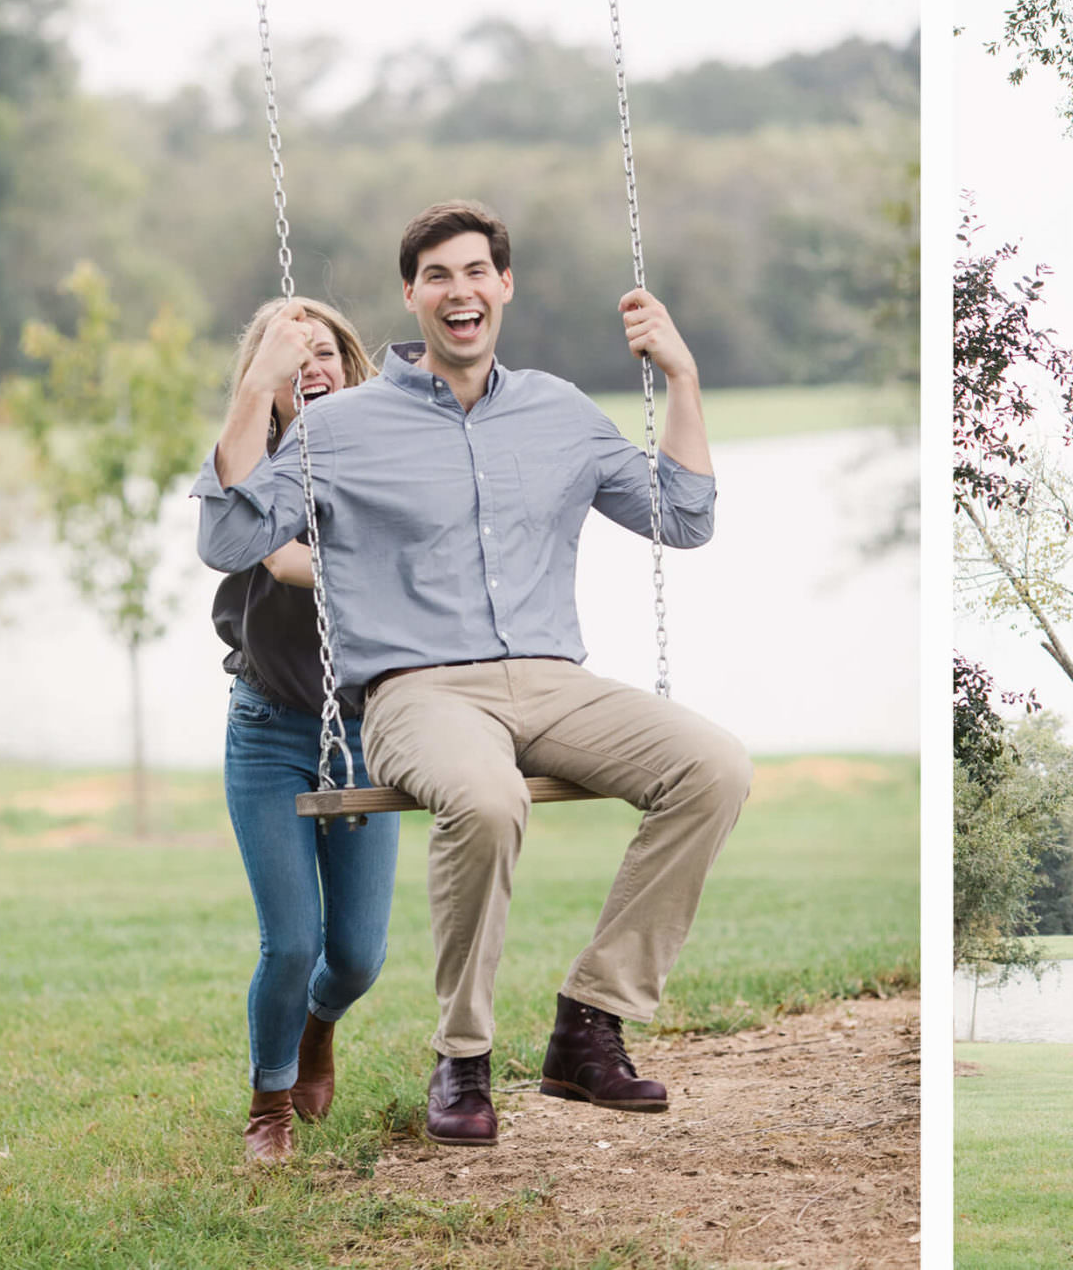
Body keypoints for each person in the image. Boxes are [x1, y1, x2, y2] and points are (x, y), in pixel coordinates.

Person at [194, 199, 752, 1148]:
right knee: (487, 801)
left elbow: (683, 517)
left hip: (550, 677)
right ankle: (462, 1056)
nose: (461, 291)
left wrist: (684, 378)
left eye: (476, 272)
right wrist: (258, 392)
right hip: (418, 689)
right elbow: (228, 533)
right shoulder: (346, 427)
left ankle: (590, 1020)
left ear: (504, 286)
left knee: (715, 767)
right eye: (438, 276)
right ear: (411, 296)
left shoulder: (559, 410)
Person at [213, 297, 401, 1165]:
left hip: (366, 729)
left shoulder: (390, 455)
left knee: (356, 956)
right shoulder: (250, 467)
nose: (311, 367)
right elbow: (282, 558)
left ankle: (321, 1028)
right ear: (266, 382)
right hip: (269, 731)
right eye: (290, 357)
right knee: (290, 941)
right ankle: (269, 1103)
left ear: (351, 363)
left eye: (324, 351)